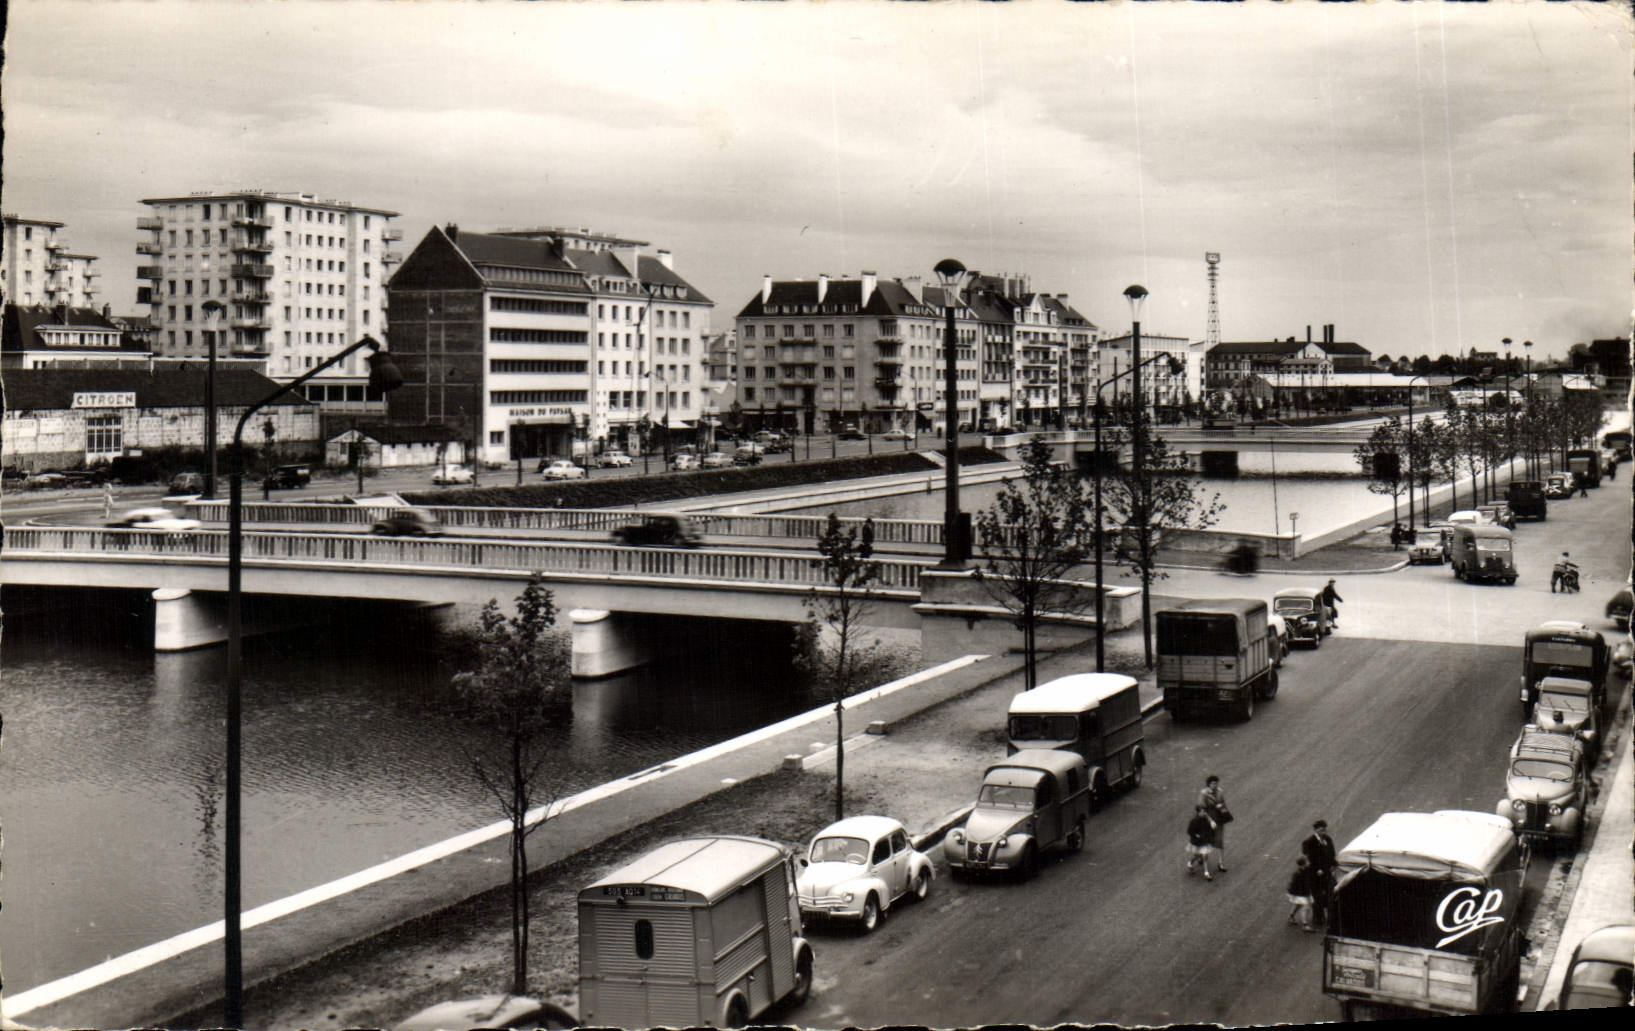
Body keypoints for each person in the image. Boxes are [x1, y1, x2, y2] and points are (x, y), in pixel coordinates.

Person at [1301, 819, 1338, 925]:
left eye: (1325, 830)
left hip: (1327, 872)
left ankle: (1331, 917)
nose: (1324, 832)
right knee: (1317, 896)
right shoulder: (1309, 842)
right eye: (1321, 830)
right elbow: (1309, 858)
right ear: (1316, 830)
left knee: (1331, 893)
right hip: (1315, 874)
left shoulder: (1327, 839)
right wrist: (1318, 869)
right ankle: (1318, 918)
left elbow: (1332, 853)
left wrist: (1333, 864)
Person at [1198, 775, 1231, 872]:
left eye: (1216, 783)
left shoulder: (1220, 792)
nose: (1215, 785)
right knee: (1206, 841)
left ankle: (1221, 863)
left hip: (1219, 819)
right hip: (1207, 821)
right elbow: (1201, 809)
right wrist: (1210, 820)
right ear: (1208, 784)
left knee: (1220, 841)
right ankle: (1200, 856)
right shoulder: (1204, 794)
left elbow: (1224, 804)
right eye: (1213, 783)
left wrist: (1222, 807)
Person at [1286, 855, 1318, 931]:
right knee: (1305, 906)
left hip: (1301, 893)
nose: (1309, 862)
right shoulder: (1299, 874)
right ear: (1304, 864)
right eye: (1307, 861)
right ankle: (1305, 924)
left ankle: (1291, 916)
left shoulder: (1304, 871)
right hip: (1300, 893)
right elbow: (1295, 884)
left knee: (1298, 905)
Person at [1186, 805, 1218, 881]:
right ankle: (1191, 863)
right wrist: (1196, 835)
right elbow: (1190, 831)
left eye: (1205, 811)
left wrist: (1212, 826)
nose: (1204, 813)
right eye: (1202, 811)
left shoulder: (1205, 819)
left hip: (1204, 840)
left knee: (1204, 856)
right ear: (1198, 812)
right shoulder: (1194, 821)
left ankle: (1205, 872)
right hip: (1198, 842)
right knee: (1199, 856)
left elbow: (1209, 828)